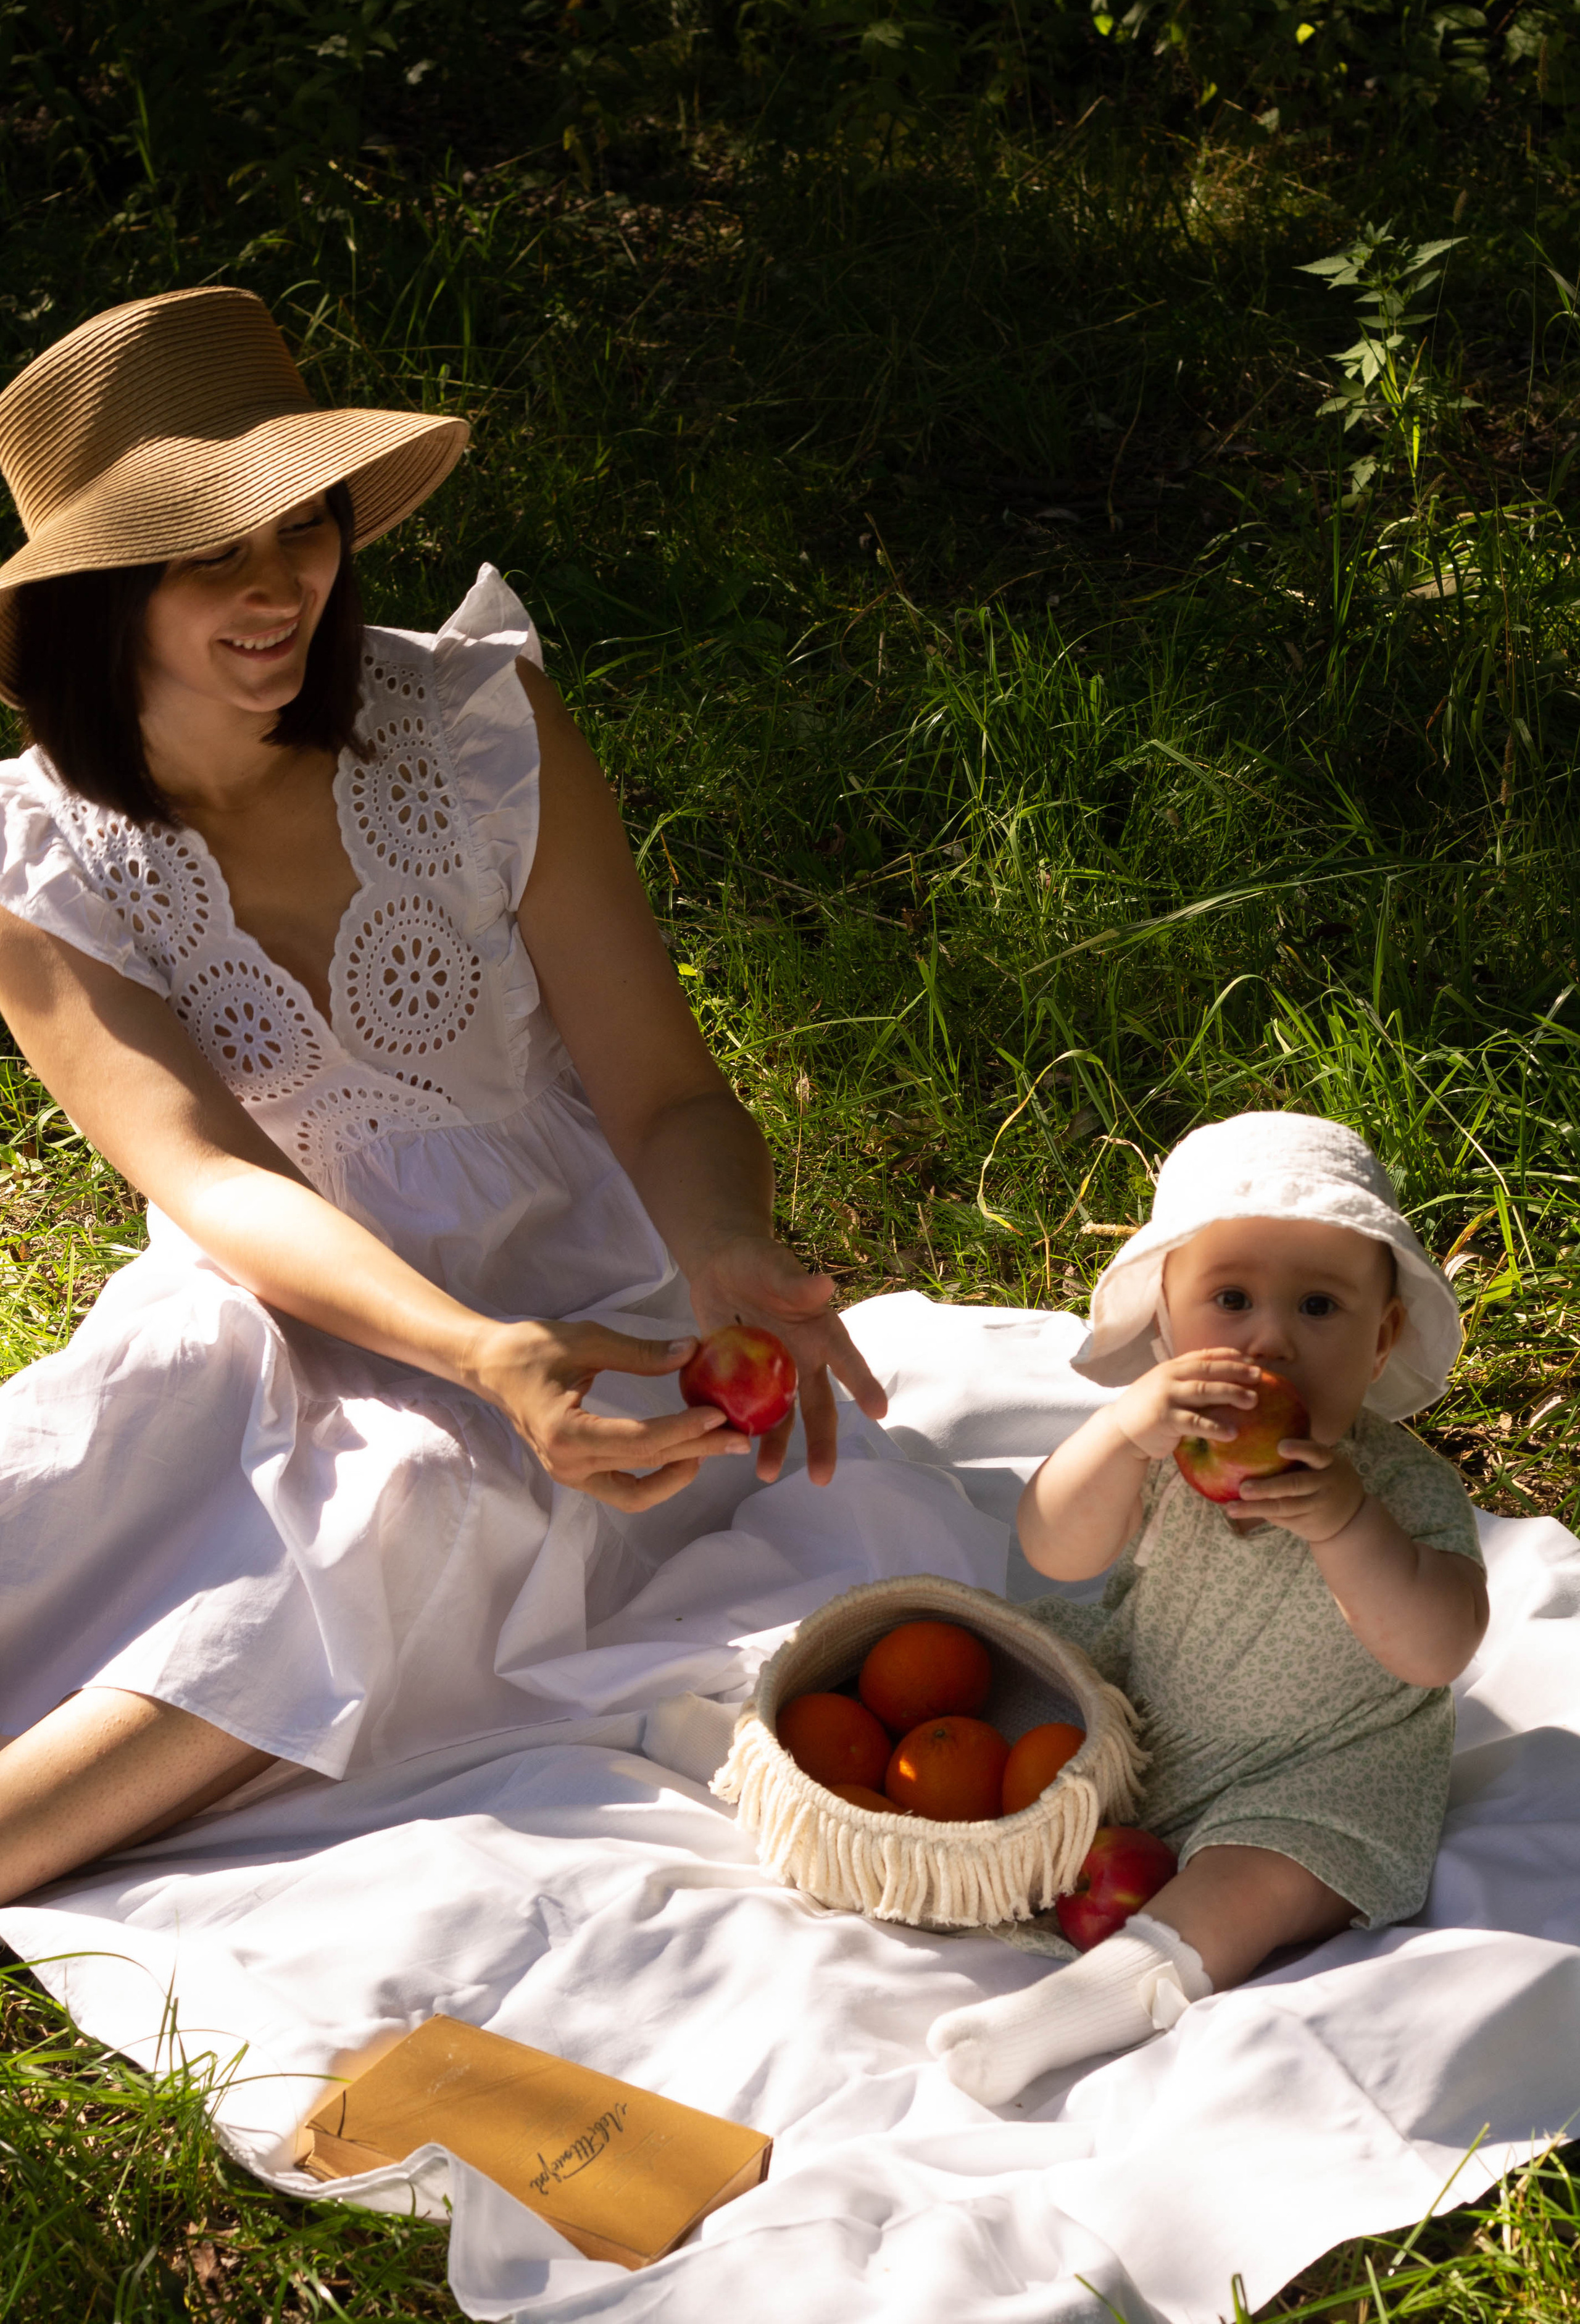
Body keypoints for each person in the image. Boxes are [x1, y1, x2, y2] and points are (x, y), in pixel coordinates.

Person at [0, 286, 886, 1905]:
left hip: (578, 1286)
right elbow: (209, 1177)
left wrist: (721, 1248)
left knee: (400, 1506)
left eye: (306, 527)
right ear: (98, 592)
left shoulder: (474, 728)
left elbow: (664, 1093)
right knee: (76, 1482)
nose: (280, 585)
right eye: (209, 555)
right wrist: (471, 1352)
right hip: (277, 1286)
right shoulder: (42, 858)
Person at [929, 1111, 1487, 2104]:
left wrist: (1349, 1526)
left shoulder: (1400, 1491)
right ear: (1167, 1324)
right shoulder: (1162, 1448)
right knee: (966, 1683)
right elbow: (1051, 1547)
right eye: (1231, 1300)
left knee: (1263, 1880)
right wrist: (1119, 1435)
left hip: (1318, 1770)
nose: (1271, 1339)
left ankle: (1094, 2001)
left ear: (1381, 1340)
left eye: (1320, 1307)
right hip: (1145, 1710)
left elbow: (1438, 1649)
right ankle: (788, 1760)